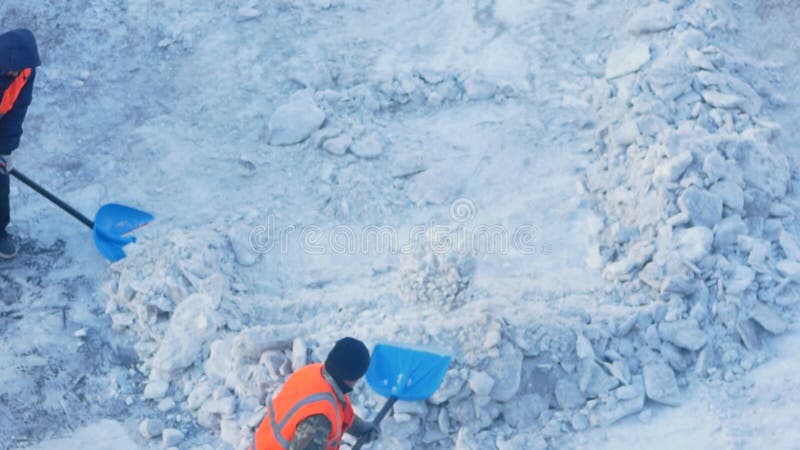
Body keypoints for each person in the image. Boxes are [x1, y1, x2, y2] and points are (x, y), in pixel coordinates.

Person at [250, 337, 381, 449]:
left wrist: (361, 428)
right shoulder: (319, 419)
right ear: (352, 378)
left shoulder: (314, 372)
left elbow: (341, 410)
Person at [0, 28, 40, 259]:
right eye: (11, 69)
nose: (15, 74)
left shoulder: (25, 71)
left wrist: (5, 150)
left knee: (0, 177)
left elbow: (18, 108)